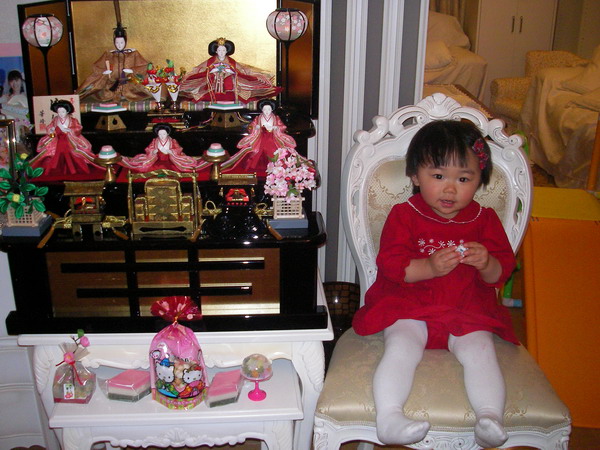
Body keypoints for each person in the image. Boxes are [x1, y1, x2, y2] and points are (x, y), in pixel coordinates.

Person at [352, 120, 518, 448]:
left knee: (481, 350)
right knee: (402, 346)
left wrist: (486, 262)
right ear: (415, 176)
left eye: (464, 179)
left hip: (466, 308)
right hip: (410, 305)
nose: (450, 190)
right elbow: (393, 267)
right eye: (438, 176)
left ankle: (489, 417)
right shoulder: (404, 214)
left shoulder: (484, 219)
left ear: (480, 180)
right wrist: (428, 266)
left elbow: (499, 274)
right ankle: (389, 417)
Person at [179, 38, 281, 104]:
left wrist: (232, 71)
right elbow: (198, 69)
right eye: (219, 50)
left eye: (223, 50)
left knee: (232, 78)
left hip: (231, 87)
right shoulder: (210, 61)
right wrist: (211, 71)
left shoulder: (231, 61)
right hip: (212, 86)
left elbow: (243, 70)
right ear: (215, 51)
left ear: (227, 51)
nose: (221, 52)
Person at [76, 26, 151, 103]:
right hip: (111, 84)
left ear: (125, 42)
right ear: (114, 42)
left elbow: (144, 66)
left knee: (138, 87)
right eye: (117, 43)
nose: (119, 45)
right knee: (98, 86)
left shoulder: (133, 54)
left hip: (129, 84)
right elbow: (96, 67)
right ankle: (79, 95)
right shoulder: (108, 55)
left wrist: (132, 70)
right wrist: (104, 71)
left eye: (121, 42)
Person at [30, 99, 104, 177]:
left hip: (70, 137)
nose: (61, 114)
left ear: (67, 111)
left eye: (63, 112)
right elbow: (50, 127)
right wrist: (51, 130)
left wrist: (70, 130)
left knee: (77, 151)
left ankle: (75, 167)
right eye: (59, 112)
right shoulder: (55, 119)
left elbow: (78, 128)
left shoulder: (73, 120)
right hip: (57, 137)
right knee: (48, 150)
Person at [223, 99, 296, 173]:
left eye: (269, 109)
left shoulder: (276, 118)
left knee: (273, 147)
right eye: (265, 109)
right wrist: (256, 127)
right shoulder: (258, 118)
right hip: (261, 136)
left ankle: (276, 166)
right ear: (262, 110)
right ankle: (254, 165)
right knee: (256, 149)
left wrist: (275, 128)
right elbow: (251, 126)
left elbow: (282, 126)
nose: (267, 111)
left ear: (272, 109)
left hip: (272, 136)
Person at [121, 123, 206, 172]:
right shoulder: (155, 141)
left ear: (168, 133)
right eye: (160, 134)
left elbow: (178, 149)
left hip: (171, 160)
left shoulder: (172, 141)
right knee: (148, 168)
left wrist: (171, 152)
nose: (162, 136)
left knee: (177, 169)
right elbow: (149, 149)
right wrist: (153, 152)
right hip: (157, 159)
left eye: (164, 134)